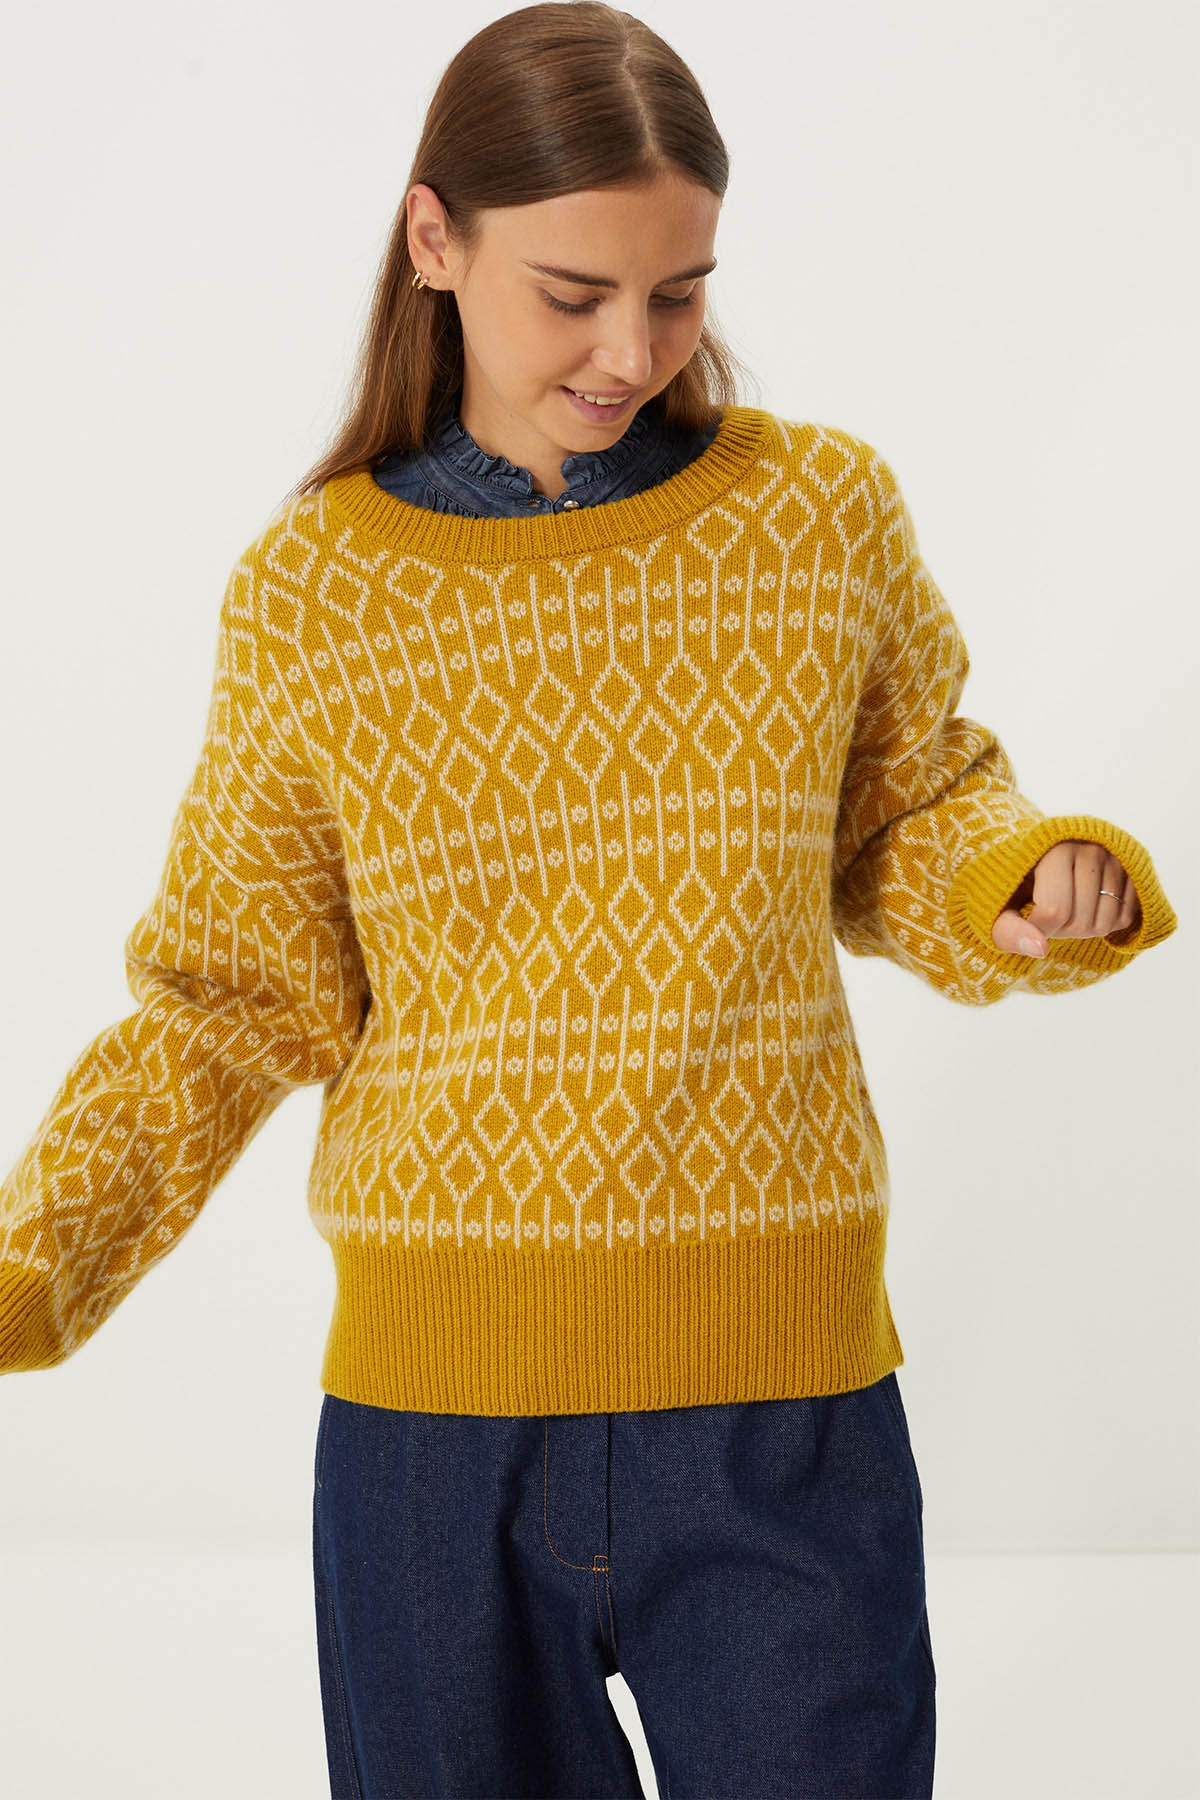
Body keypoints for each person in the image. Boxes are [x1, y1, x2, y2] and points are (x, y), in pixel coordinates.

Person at [0, 3, 1177, 1796]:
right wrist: (32, 1264)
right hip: (430, 1446)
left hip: (784, 1407)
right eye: (574, 294)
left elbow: (911, 810)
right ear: (434, 240)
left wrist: (1021, 880)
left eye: (681, 291)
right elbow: (231, 1000)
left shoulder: (817, 515)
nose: (633, 348)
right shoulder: (314, 591)